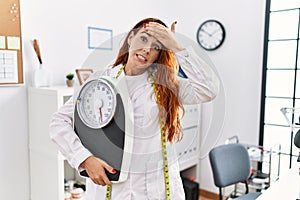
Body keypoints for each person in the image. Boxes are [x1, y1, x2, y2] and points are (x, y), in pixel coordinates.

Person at [49, 17, 219, 200]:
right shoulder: (99, 81)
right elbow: (58, 122)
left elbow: (208, 89)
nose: (147, 49)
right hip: (111, 191)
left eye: (156, 47)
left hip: (155, 191)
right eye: (144, 39)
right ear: (130, 38)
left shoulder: (167, 85)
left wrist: (177, 47)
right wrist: (84, 159)